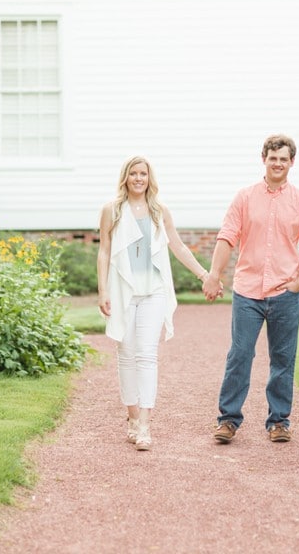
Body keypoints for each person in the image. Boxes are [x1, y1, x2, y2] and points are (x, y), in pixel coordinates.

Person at [202, 134, 299, 445]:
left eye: (283, 158)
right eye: (273, 158)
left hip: (285, 293)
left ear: (292, 162)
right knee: (240, 355)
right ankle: (228, 420)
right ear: (264, 159)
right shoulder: (244, 197)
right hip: (248, 292)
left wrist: (298, 283)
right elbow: (227, 237)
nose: (278, 163)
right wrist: (214, 274)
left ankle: (279, 422)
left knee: (283, 359)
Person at [97, 156, 210, 451]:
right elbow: (104, 252)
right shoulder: (112, 211)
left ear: (150, 178)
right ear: (125, 177)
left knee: (147, 355)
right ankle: (132, 415)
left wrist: (203, 274)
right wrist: (102, 291)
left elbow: (179, 246)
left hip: (154, 293)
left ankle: (145, 424)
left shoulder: (160, 211)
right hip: (123, 292)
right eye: (133, 173)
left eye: (143, 174)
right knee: (126, 352)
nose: (138, 178)